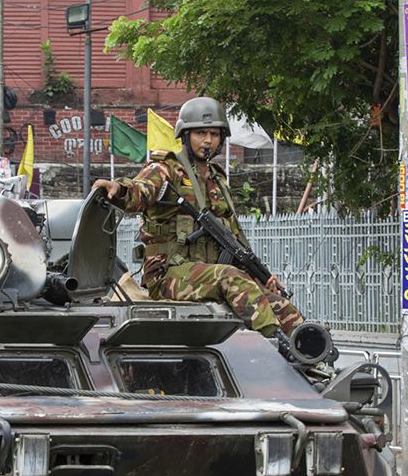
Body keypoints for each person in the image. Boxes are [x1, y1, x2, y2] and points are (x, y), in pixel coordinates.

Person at [91, 96, 305, 340]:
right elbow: (141, 191)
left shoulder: (218, 179)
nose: (208, 141)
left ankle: (311, 352)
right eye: (201, 133)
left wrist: (262, 277)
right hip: (168, 276)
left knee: (278, 303)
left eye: (214, 134)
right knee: (231, 277)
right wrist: (119, 190)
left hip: (210, 274)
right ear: (185, 135)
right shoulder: (166, 168)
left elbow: (234, 238)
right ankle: (277, 343)